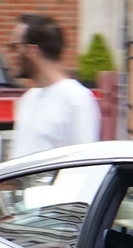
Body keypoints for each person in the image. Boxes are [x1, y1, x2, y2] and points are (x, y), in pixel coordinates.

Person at [8, 14, 102, 157]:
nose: (12, 54)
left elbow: (85, 164)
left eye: (15, 47)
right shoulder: (28, 99)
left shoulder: (77, 99)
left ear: (32, 50)